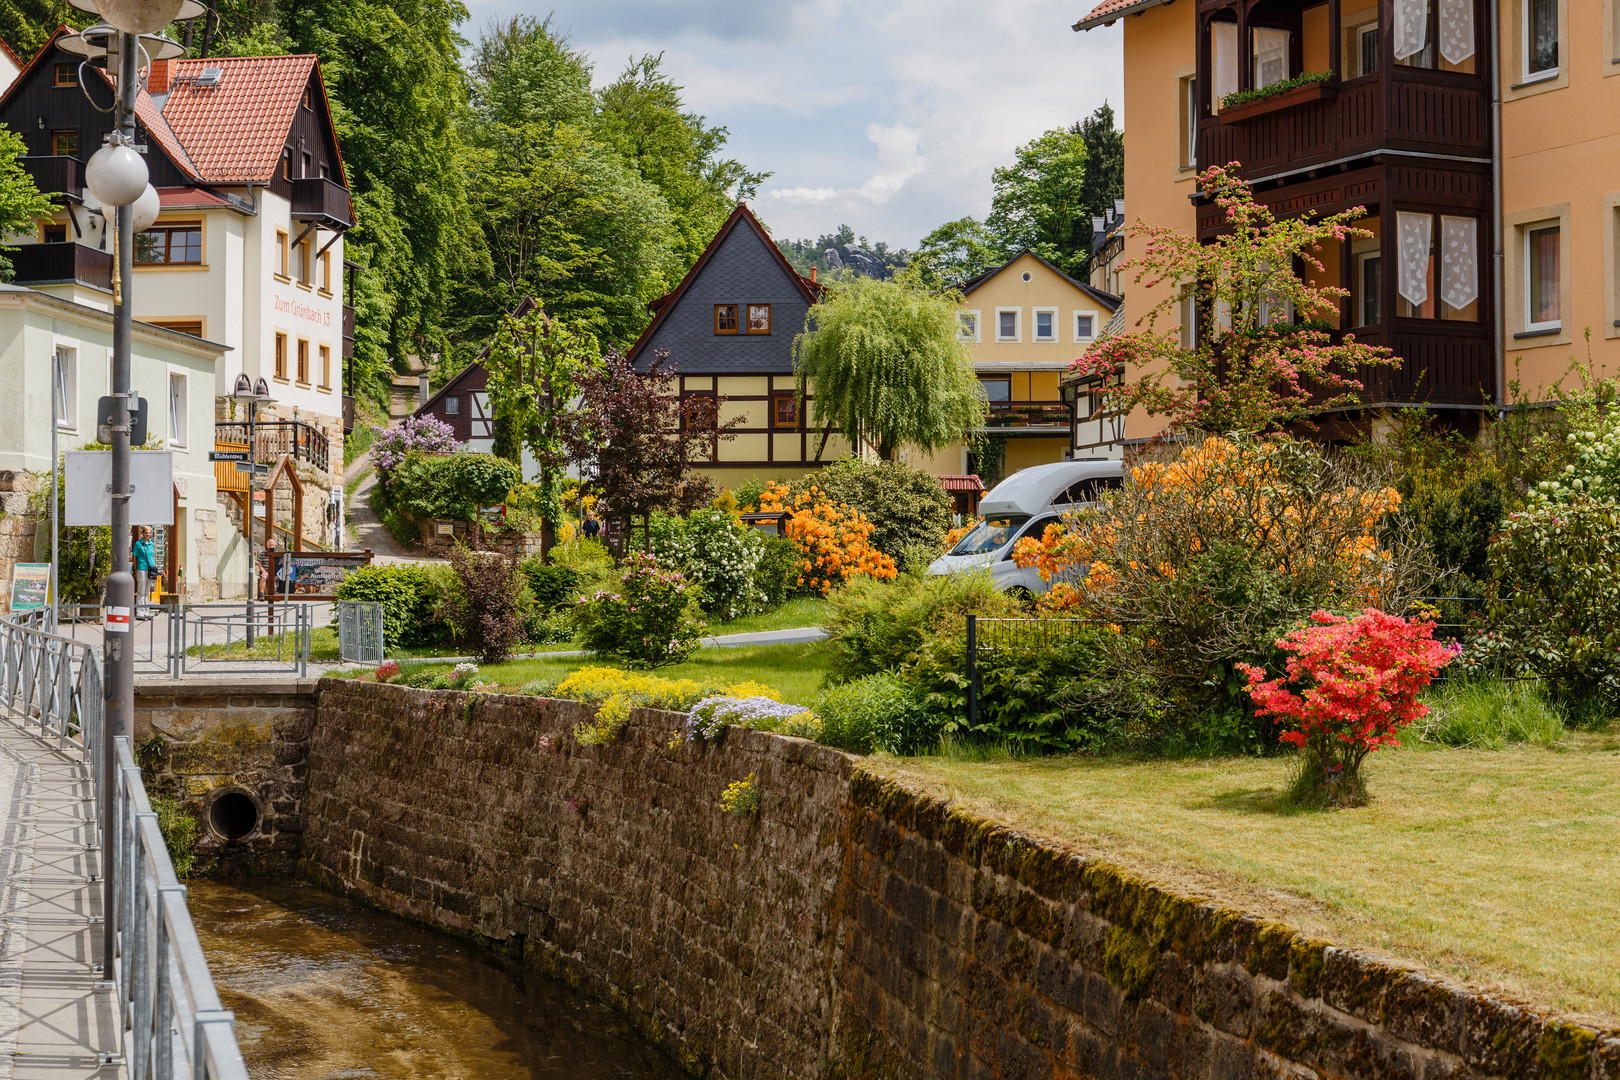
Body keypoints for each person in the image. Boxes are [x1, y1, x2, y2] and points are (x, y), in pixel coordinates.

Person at [132, 527, 157, 618]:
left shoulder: (151, 544)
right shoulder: (138, 544)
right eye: (146, 532)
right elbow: (134, 557)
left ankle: (146, 612)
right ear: (143, 533)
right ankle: (140, 613)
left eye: (149, 533)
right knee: (141, 591)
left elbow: (153, 556)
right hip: (141, 568)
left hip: (150, 569)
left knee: (147, 592)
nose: (148, 534)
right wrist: (134, 569)